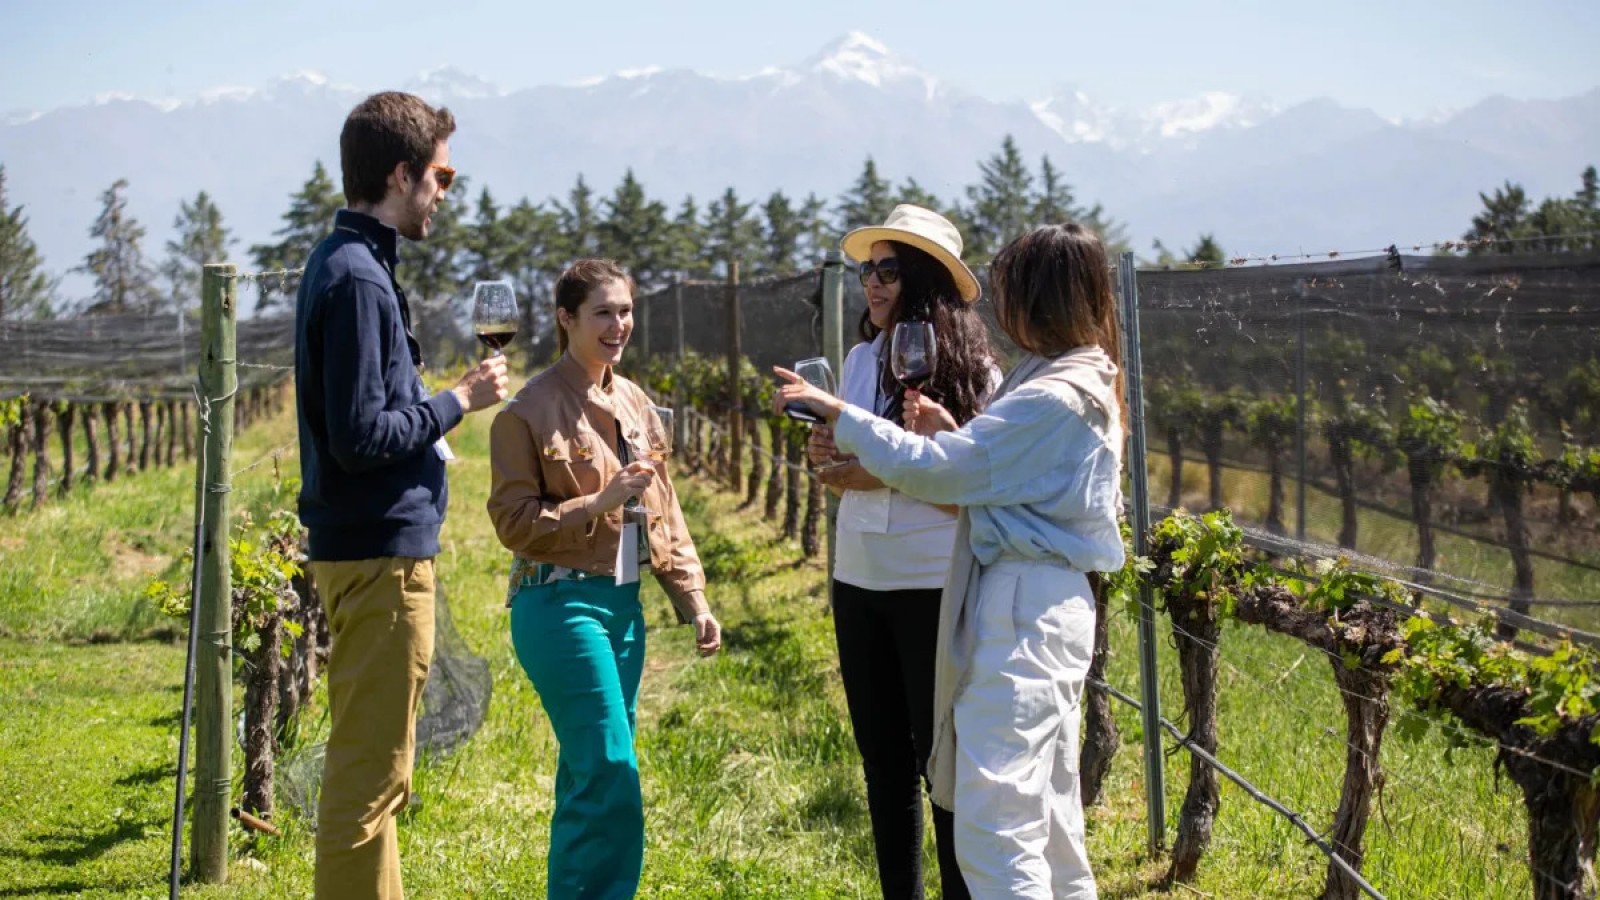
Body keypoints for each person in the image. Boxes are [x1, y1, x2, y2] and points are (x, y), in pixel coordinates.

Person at [775, 222, 1126, 900]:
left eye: (1010, 291)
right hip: (1013, 592)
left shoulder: (1051, 393)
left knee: (996, 821)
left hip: (1015, 599)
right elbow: (984, 467)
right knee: (1046, 817)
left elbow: (947, 475)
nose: (999, 308)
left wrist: (840, 417)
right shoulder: (1058, 379)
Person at [295, 91, 509, 900]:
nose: (445, 195)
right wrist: (454, 402)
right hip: (379, 560)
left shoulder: (352, 263)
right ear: (401, 173)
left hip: (379, 555)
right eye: (442, 177)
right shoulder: (355, 278)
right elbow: (358, 437)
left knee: (382, 781)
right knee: (366, 783)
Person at [487, 258, 723, 899]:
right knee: (610, 766)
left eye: (625, 310)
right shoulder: (526, 412)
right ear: (566, 319)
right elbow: (511, 523)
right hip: (558, 604)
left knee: (591, 769)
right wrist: (597, 502)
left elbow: (664, 508)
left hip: (622, 609)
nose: (619, 325)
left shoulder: (634, 400)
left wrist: (692, 596)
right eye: (603, 312)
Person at [807, 204, 994, 900]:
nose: (873, 284)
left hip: (931, 584)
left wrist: (877, 467)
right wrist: (824, 455)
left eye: (889, 270)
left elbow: (974, 493)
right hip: (857, 578)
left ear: (923, 279)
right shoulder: (858, 362)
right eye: (867, 270)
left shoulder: (978, 375)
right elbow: (844, 473)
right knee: (881, 762)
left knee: (941, 765)